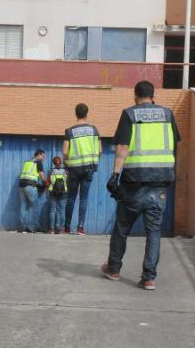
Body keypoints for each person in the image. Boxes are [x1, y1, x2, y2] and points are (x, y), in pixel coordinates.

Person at [103, 80, 181, 290]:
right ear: (153, 95)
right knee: (154, 231)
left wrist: (114, 175)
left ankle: (114, 269)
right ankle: (148, 278)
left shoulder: (130, 114)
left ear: (135, 95)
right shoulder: (167, 114)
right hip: (160, 183)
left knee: (122, 227)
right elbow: (174, 144)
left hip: (134, 182)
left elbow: (122, 146)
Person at [63, 103, 101, 235]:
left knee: (71, 198)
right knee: (84, 198)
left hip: (74, 169)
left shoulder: (70, 131)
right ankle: (80, 227)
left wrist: (68, 165)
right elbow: (100, 150)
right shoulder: (94, 130)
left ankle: (67, 227)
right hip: (88, 168)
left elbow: (65, 152)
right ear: (87, 113)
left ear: (75, 114)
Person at [18, 149, 48, 233]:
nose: (44, 158)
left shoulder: (27, 161)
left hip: (21, 185)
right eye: (43, 156)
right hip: (30, 185)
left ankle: (23, 227)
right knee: (35, 205)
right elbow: (42, 177)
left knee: (23, 205)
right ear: (38, 155)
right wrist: (46, 184)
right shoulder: (38, 162)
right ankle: (34, 227)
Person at [47, 156, 68, 234]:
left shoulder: (50, 171)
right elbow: (68, 182)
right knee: (61, 211)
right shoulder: (65, 171)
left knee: (52, 210)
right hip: (63, 192)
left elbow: (48, 182)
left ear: (54, 163)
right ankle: (61, 229)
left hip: (53, 192)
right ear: (61, 163)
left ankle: (51, 229)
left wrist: (47, 189)